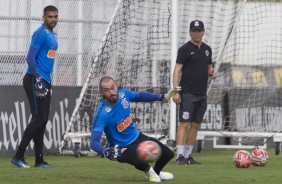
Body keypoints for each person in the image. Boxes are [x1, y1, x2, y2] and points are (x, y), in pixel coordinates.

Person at [90, 76, 174, 182]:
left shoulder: (124, 94)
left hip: (137, 137)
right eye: (106, 90)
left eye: (112, 88)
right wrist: (104, 151)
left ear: (116, 85)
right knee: (138, 159)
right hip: (121, 148)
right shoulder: (102, 113)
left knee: (168, 154)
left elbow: (140, 96)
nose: (111, 92)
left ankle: (157, 173)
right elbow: (93, 142)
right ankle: (150, 173)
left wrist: (162, 97)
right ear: (101, 92)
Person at [11, 5, 59, 168]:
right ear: (43, 17)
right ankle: (18, 156)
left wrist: (44, 80)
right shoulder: (40, 33)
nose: (53, 19)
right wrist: (38, 79)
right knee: (39, 118)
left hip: (45, 80)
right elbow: (30, 58)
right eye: (50, 17)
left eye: (55, 17)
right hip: (34, 79)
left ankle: (39, 160)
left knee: (42, 120)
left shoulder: (53, 34)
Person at [172, 20, 217, 165]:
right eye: (194, 30)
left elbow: (209, 66)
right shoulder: (184, 49)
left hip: (202, 94)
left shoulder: (207, 49)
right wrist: (176, 91)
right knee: (184, 123)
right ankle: (179, 156)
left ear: (203, 32)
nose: (197, 33)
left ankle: (188, 155)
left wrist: (211, 72)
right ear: (190, 32)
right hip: (187, 94)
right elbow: (177, 70)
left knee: (196, 125)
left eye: (199, 30)